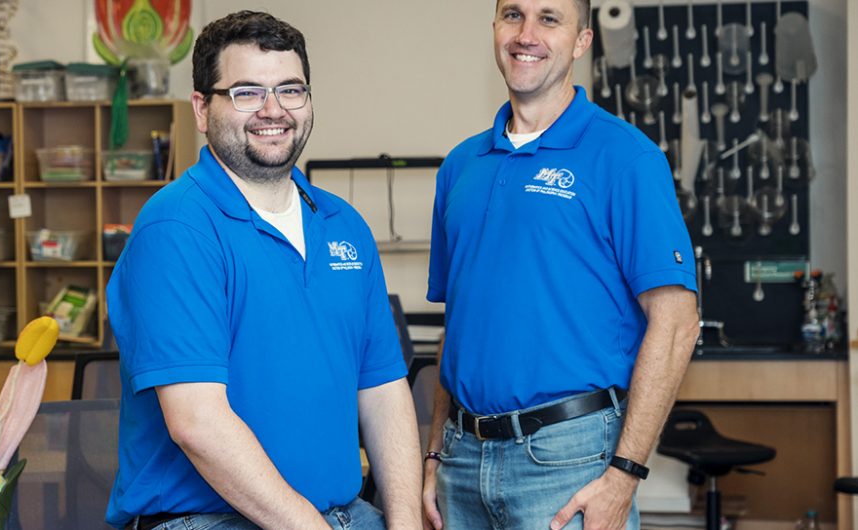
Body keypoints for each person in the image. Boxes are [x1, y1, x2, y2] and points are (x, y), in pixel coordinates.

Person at [105, 10, 422, 530]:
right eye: (247, 92)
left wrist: (405, 523)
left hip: (342, 514)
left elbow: (383, 390)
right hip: (207, 520)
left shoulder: (344, 225)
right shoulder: (177, 227)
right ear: (202, 109)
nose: (273, 110)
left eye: (290, 90)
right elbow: (196, 422)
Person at [422, 1, 701, 529]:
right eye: (513, 15)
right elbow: (457, 325)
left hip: (568, 462)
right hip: (461, 461)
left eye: (549, 19)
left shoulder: (626, 158)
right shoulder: (460, 166)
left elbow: (676, 324)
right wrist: (434, 454)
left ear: (582, 41)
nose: (526, 34)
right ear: (495, 28)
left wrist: (624, 475)